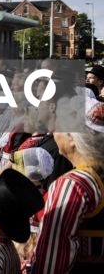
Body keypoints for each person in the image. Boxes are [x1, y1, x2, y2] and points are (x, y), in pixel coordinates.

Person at [29, 95, 104, 273]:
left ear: (72, 138)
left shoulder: (73, 184)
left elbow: (52, 256)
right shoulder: (95, 174)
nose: (54, 133)